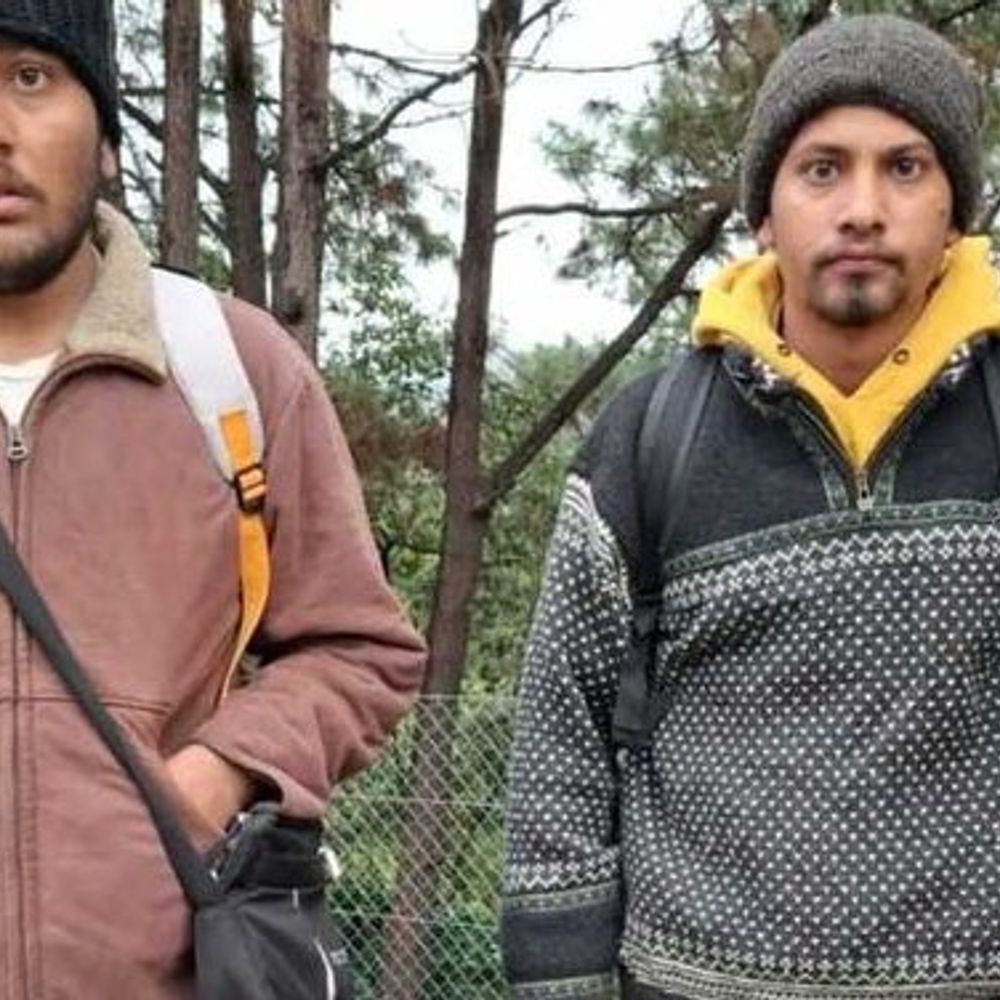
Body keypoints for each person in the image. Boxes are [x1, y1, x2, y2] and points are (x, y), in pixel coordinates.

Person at [502, 13, 1000, 1000]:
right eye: (822, 169)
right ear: (765, 212)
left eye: (904, 168)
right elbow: (564, 735)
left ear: (955, 212)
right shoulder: (650, 441)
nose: (862, 209)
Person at [0, 1, 426, 997]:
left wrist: (218, 771)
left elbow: (360, 650)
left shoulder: (229, 369)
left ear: (107, 136)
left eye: (30, 77)